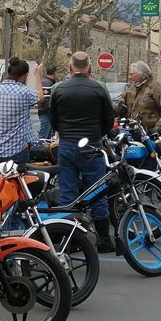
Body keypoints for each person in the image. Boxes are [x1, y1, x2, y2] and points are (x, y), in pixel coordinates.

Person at [50, 51, 115, 253]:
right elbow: (108, 120)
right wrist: (98, 134)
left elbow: (54, 119)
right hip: (92, 145)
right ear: (89, 68)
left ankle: (68, 241)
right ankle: (104, 239)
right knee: (98, 191)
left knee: (67, 194)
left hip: (67, 144)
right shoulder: (99, 88)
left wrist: (65, 133)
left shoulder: (58, 89)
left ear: (70, 68)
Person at [0, 57, 43, 165]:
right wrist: (38, 75)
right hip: (18, 153)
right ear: (24, 76)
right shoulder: (24, 92)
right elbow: (40, 97)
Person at [118, 61, 161, 133]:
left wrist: (156, 129)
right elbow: (119, 107)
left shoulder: (155, 88)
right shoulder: (132, 89)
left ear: (141, 74)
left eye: (131, 74)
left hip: (150, 134)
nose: (129, 77)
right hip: (134, 131)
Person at [38, 65, 58, 139]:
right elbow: (46, 101)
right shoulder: (47, 83)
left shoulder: (46, 81)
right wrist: (52, 114)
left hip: (45, 112)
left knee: (46, 136)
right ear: (55, 73)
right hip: (46, 113)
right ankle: (39, 150)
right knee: (44, 138)